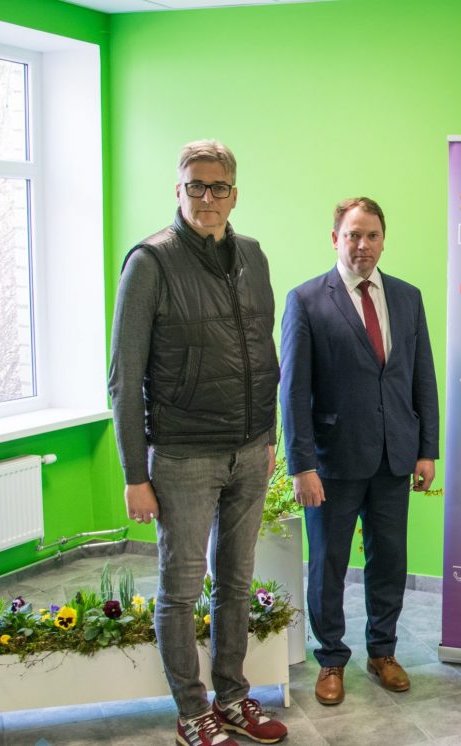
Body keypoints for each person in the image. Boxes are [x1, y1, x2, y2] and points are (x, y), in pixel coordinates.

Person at [108, 140, 287, 746]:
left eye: (219, 187)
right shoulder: (150, 263)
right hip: (183, 454)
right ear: (179, 190)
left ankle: (233, 697)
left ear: (234, 194)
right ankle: (193, 711)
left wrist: (268, 435)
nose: (207, 197)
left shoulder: (253, 255)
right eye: (196, 186)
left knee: (236, 583)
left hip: (250, 450)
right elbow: (124, 377)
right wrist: (135, 474)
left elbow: (263, 351)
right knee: (181, 591)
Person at [280, 197, 440, 707]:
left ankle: (382, 652)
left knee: (389, 559)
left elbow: (421, 376)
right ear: (335, 239)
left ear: (383, 240)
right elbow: (293, 391)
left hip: (395, 456)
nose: (362, 245)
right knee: (328, 562)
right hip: (333, 461)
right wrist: (302, 465)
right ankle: (331, 658)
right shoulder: (306, 300)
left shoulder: (407, 298)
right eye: (353, 235)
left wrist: (427, 449)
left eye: (371, 235)